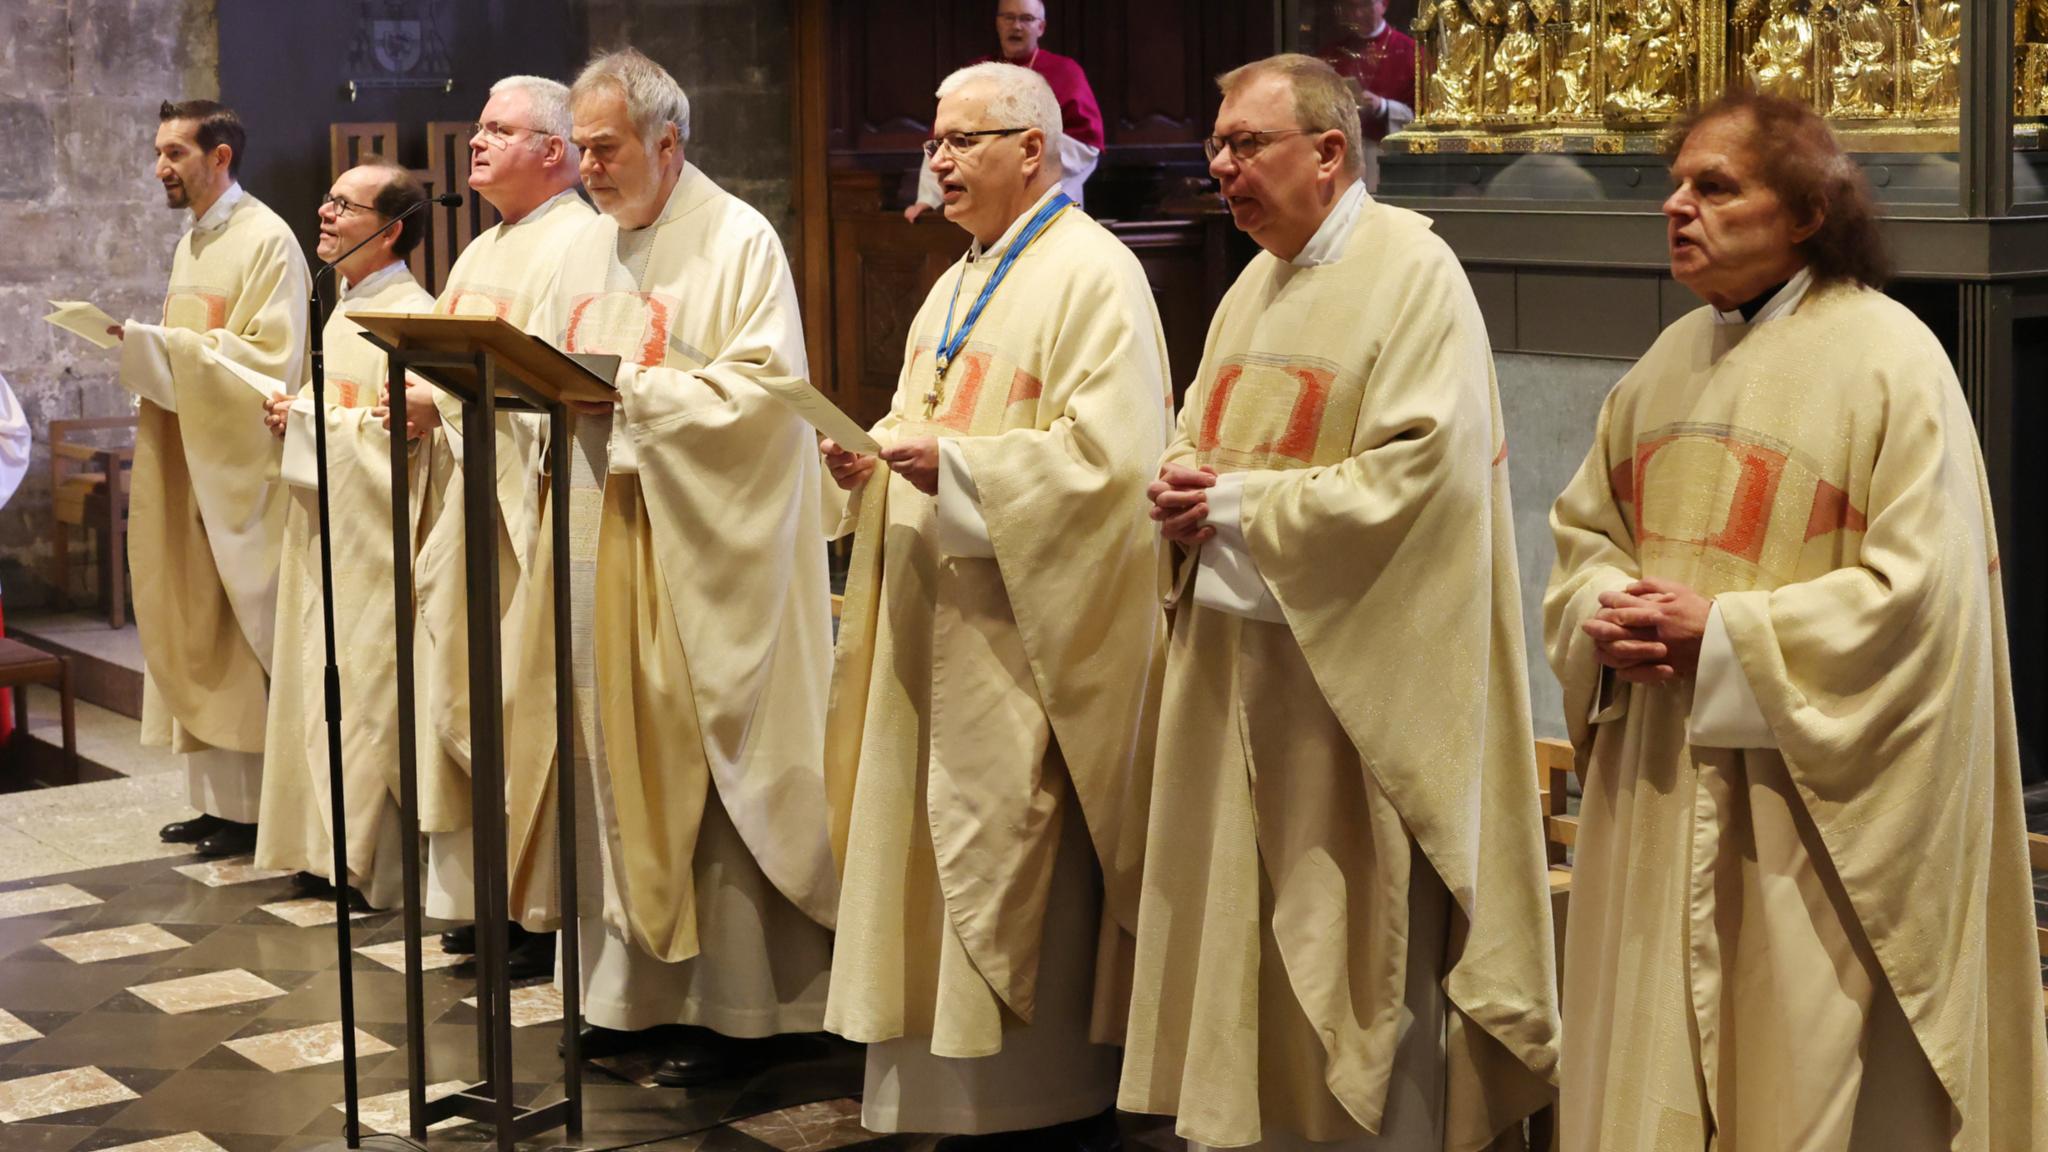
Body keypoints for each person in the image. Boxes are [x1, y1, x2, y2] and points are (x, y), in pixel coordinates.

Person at [1544, 92, 2048, 1152]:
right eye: (1674, 185)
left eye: (1714, 187)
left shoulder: (1888, 360)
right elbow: (1584, 538)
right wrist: (1603, 612)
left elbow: (1925, 602)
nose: (1676, 207)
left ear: (1808, 211)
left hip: (1805, 820)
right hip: (1658, 781)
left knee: (1798, 1083)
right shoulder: (1662, 366)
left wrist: (1721, 639)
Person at [1121, 54, 1559, 1151]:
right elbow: (1197, 439)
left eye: (1244, 145)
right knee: (1245, 954)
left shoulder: (1412, 272)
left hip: (1350, 700)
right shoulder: (1250, 286)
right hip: (1240, 679)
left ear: (1327, 152)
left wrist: (1223, 503)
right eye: (1215, 147)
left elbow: (1418, 480)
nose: (1221, 168)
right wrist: (1178, 491)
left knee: (1352, 959)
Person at [821, 61, 1169, 1149]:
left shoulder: (1095, 275)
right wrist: (871, 457)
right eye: (932, 142)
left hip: (1021, 637)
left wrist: (961, 471)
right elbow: (919, 410)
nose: (937, 160)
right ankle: (936, 1087)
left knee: (1006, 852)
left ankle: (1034, 1097)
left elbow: (1114, 465)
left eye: (962, 141)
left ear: (1033, 149)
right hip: (938, 615)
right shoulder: (959, 279)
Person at [511, 47, 838, 1088]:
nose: (589, 171)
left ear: (668, 142)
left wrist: (639, 402)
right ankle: (626, 998)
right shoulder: (582, 249)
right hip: (596, 535)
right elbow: (545, 364)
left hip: (701, 549)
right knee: (607, 750)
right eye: (581, 151)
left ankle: (739, 1012)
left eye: (603, 151)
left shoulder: (739, 240)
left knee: (705, 755)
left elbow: (765, 399)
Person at [380, 74, 595, 974]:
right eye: (478, 128)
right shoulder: (478, 252)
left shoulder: (579, 244)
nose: (475, 142)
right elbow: (449, 355)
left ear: (556, 150)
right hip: (469, 497)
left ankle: (538, 912)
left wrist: (450, 407)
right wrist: (425, 397)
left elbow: (554, 379)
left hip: (523, 508)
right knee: (468, 698)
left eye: (498, 130)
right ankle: (488, 898)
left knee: (521, 705)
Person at [254, 157, 445, 910]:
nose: (327, 215)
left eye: (347, 207)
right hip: (327, 530)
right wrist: (296, 418)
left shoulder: (411, 314)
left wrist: (307, 423)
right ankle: (326, 851)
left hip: (377, 541)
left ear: (393, 231)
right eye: (328, 202)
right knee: (316, 683)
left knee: (369, 688)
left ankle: (373, 865)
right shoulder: (342, 303)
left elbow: (414, 440)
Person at [127, 100, 310, 860]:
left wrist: (166, 350)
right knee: (196, 620)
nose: (162, 167)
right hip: (189, 454)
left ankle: (254, 810)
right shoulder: (195, 241)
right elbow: (202, 345)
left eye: (175, 153)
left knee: (236, 633)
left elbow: (272, 361)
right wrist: (152, 351)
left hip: (240, 469)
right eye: (160, 152)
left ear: (221, 156)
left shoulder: (266, 239)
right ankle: (216, 803)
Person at [905, 0, 1104, 221]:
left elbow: (1085, 147)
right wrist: (928, 199)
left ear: (1041, 27)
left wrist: (1013, 160)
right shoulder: (976, 75)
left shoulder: (1066, 73)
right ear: (998, 23)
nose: (1016, 26)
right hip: (984, 208)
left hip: (1045, 206)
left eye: (1026, 18)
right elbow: (944, 140)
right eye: (1008, 17)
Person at [1319, 0, 1416, 189]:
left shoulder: (1410, 52)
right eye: (1350, 6)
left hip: (1385, 156)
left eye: (1365, 6)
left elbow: (1424, 114)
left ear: (1384, 5)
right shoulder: (1332, 53)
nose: (1357, 14)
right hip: (1343, 157)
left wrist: (1383, 106)